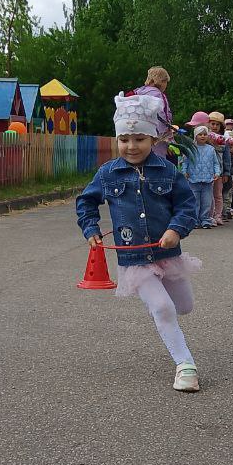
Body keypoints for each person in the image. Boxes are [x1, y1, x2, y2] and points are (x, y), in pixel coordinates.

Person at [76, 92, 202, 390]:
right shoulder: (107, 173)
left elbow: (187, 206)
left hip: (166, 253)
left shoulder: (168, 171)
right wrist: (90, 228)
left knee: (184, 306)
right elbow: (86, 202)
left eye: (139, 139)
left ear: (153, 139)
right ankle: (185, 366)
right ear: (117, 139)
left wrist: (176, 229)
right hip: (133, 259)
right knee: (163, 308)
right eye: (124, 139)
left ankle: (164, 312)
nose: (131, 146)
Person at [180, 124, 223, 228]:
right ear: (195, 136)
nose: (203, 136)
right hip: (193, 179)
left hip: (208, 180)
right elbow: (185, 162)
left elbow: (216, 163)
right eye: (200, 134)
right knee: (195, 201)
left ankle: (205, 219)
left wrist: (217, 173)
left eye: (205, 134)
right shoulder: (190, 149)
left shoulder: (211, 149)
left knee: (207, 202)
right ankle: (195, 220)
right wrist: (184, 171)